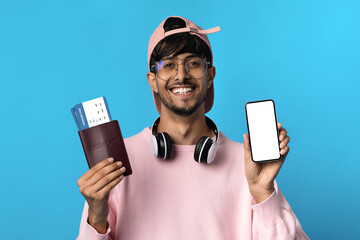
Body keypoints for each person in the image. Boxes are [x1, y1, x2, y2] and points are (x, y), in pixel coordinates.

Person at [76, 16, 309, 240]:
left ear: (211, 74)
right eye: (168, 65)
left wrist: (263, 192)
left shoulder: (249, 163)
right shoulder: (117, 161)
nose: (181, 75)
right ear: (152, 80)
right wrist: (96, 215)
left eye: (193, 63)